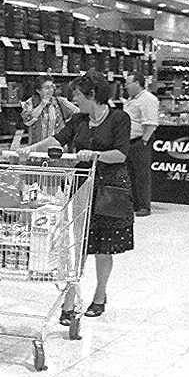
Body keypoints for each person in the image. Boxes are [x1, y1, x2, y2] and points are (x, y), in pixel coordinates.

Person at [24, 74, 135, 320]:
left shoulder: (119, 118)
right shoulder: (79, 119)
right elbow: (57, 139)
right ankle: (70, 300)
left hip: (110, 190)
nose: (74, 99)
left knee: (104, 247)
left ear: (92, 94)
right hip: (81, 185)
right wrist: (29, 149)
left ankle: (100, 295)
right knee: (77, 245)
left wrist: (94, 154)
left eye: (77, 95)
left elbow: (121, 154)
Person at [122, 73, 159, 217]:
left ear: (137, 83)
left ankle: (144, 206)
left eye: (128, 83)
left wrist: (144, 141)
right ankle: (134, 203)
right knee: (131, 174)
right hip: (129, 141)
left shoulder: (148, 99)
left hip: (140, 141)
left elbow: (150, 123)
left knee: (141, 175)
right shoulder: (131, 100)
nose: (125, 87)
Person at [20, 77, 75, 152]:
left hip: (57, 149)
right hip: (37, 148)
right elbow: (27, 121)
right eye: (47, 88)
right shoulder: (30, 103)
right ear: (38, 90)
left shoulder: (60, 101)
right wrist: (42, 105)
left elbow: (78, 112)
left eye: (52, 87)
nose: (51, 90)